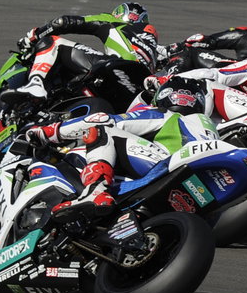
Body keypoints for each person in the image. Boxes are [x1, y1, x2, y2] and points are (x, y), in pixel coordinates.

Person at [19, 80, 224, 217]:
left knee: (102, 130)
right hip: (198, 190)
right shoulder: (210, 127)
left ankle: (95, 191)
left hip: (165, 166)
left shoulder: (166, 114)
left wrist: (50, 132)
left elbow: (107, 120)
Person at [5, 2, 159, 105]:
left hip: (116, 69)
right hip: (138, 94)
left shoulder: (112, 21)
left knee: (52, 42)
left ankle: (36, 83)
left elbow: (62, 22)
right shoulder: (155, 48)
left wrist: (35, 35)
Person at [164, 13, 247, 72]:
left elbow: (206, 41)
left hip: (244, 73)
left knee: (187, 52)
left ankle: (169, 81)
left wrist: (179, 46)